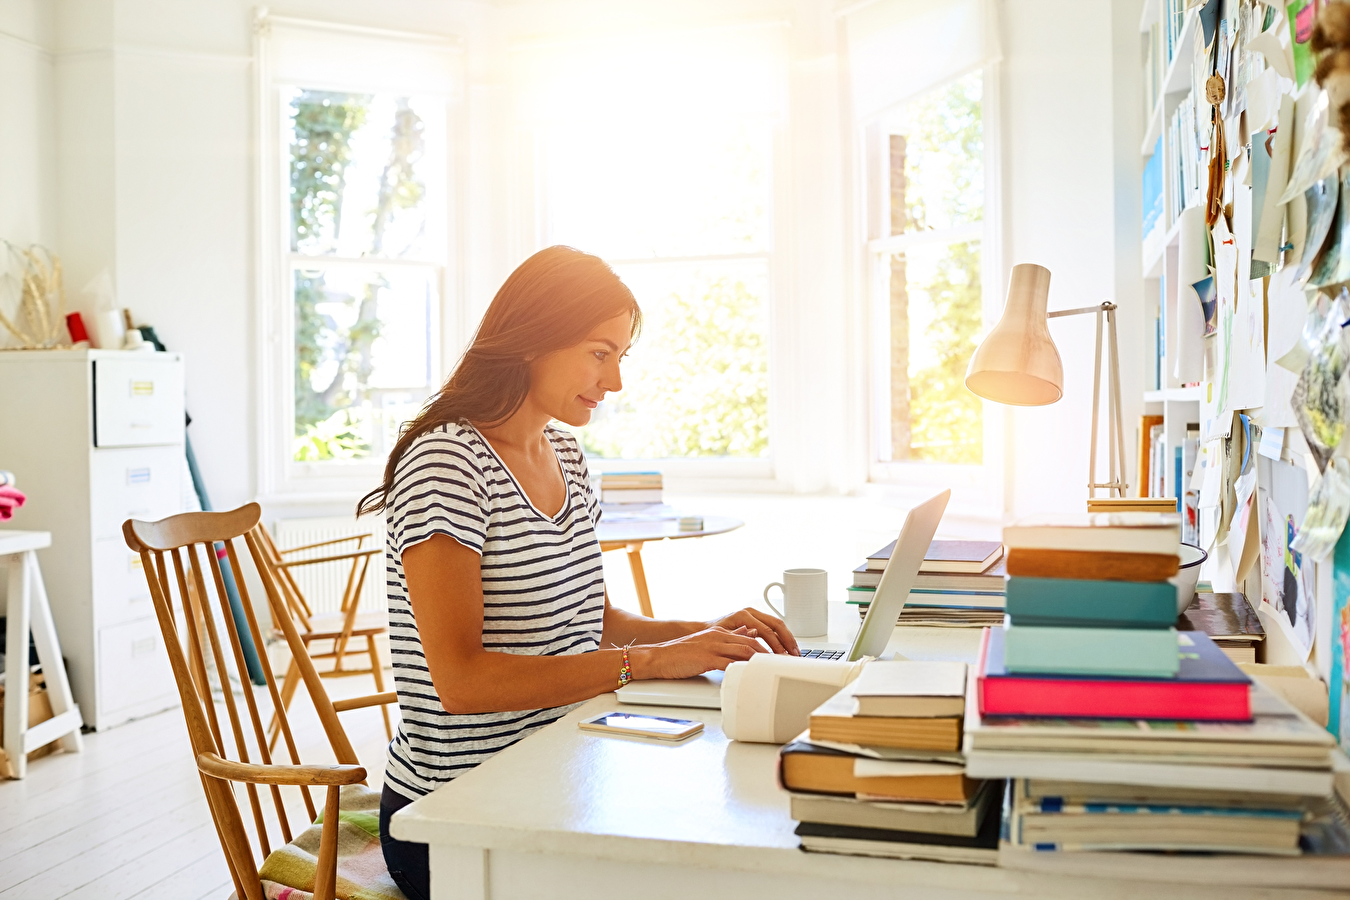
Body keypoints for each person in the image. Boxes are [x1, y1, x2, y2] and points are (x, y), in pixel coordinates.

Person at [357, 246, 799, 900]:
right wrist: (650, 662)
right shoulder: (448, 463)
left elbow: (597, 621)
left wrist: (707, 635)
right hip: (458, 812)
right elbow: (462, 682)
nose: (614, 382)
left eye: (620, 357)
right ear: (532, 341)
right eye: (600, 353)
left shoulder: (564, 451)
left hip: (563, 767)